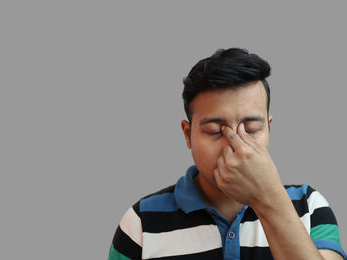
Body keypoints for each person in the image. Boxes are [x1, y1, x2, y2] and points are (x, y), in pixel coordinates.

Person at [108, 48, 347, 260]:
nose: (235, 146)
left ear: (269, 128)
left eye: (251, 129)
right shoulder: (141, 222)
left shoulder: (310, 206)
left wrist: (268, 199)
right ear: (187, 134)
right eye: (214, 130)